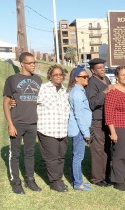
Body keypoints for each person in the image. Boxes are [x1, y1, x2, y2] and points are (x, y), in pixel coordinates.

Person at [3, 52, 42, 195]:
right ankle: (15, 182)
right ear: (22, 64)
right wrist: (10, 124)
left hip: (32, 123)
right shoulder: (12, 79)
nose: (33, 65)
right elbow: (6, 103)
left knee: (30, 153)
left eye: (34, 63)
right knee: (15, 154)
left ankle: (30, 180)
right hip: (17, 123)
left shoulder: (38, 79)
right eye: (30, 63)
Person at [104, 66, 125, 191]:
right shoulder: (113, 91)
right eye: (122, 74)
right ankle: (118, 181)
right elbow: (108, 114)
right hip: (119, 127)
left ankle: (121, 177)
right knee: (119, 154)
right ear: (117, 76)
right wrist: (113, 132)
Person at [37, 64, 70, 192]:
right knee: (51, 158)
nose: (58, 76)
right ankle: (55, 182)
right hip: (47, 130)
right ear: (50, 76)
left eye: (60, 74)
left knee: (61, 156)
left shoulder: (65, 91)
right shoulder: (42, 89)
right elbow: (29, 103)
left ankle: (59, 178)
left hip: (62, 130)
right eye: (55, 74)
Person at [85, 58, 114, 187]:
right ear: (93, 70)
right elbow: (92, 103)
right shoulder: (91, 83)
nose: (103, 69)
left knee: (107, 148)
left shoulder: (106, 80)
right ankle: (97, 178)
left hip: (108, 120)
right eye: (99, 68)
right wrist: (105, 92)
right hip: (97, 120)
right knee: (98, 150)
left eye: (103, 67)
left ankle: (106, 175)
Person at [68, 67, 92, 191]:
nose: (86, 78)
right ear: (76, 78)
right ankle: (78, 184)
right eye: (84, 76)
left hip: (80, 129)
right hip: (79, 130)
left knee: (77, 156)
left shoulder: (80, 90)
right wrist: (86, 133)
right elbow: (78, 115)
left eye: (87, 76)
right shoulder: (77, 93)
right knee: (78, 157)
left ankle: (77, 181)